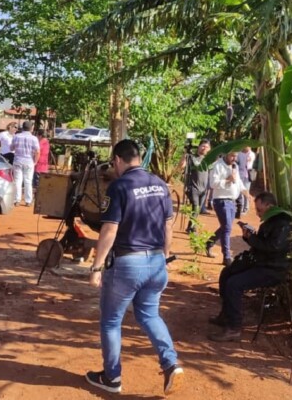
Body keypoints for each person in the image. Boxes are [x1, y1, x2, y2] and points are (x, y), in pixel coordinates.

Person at [85, 139, 184, 396]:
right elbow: (168, 226)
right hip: (156, 263)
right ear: (138, 158)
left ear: (118, 160)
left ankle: (112, 377)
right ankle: (170, 362)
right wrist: (164, 257)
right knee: (150, 315)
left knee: (110, 322)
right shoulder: (161, 185)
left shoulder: (120, 186)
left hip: (127, 264)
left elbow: (109, 229)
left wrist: (96, 268)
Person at [208, 192, 292, 342]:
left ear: (270, 206)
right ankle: (226, 315)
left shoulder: (283, 222)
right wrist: (249, 236)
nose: (258, 213)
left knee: (234, 284)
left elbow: (273, 247)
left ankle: (234, 328)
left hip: (273, 269)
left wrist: (252, 238)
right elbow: (262, 244)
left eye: (260, 210)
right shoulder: (270, 220)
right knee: (227, 273)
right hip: (262, 263)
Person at [206, 151, 246, 266]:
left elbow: (238, 182)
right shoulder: (217, 166)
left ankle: (209, 243)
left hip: (232, 201)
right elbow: (213, 184)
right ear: (226, 154)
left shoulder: (235, 166)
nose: (234, 158)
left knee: (225, 227)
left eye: (236, 156)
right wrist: (228, 179)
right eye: (232, 155)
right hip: (221, 200)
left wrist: (245, 192)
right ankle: (227, 257)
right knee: (227, 228)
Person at [179, 138, 211, 233]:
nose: (204, 148)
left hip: (204, 189)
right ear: (198, 147)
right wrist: (185, 154)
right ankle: (193, 228)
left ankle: (190, 227)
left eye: (207, 147)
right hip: (193, 187)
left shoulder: (209, 159)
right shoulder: (192, 157)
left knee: (198, 210)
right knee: (195, 207)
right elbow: (181, 166)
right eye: (203, 146)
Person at [10, 121, 40, 207]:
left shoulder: (16, 136)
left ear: (22, 127)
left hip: (18, 160)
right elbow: (37, 151)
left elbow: (11, 148)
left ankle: (17, 200)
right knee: (28, 181)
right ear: (31, 128)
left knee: (17, 181)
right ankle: (28, 201)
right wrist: (35, 162)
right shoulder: (34, 138)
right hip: (29, 161)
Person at [235, 146, 256, 216]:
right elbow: (237, 161)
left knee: (246, 191)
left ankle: (246, 208)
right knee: (240, 191)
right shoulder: (239, 153)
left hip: (247, 174)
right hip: (240, 174)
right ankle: (240, 207)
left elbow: (249, 162)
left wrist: (248, 158)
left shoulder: (251, 154)